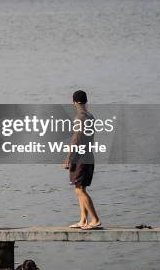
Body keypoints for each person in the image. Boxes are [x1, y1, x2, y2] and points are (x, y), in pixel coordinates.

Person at [64, 90, 101, 230]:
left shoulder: (79, 117)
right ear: (86, 101)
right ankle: (83, 220)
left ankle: (95, 219)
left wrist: (69, 157)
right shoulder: (90, 117)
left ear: (73, 102)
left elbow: (76, 138)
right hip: (89, 156)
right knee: (80, 188)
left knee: (80, 190)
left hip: (81, 158)